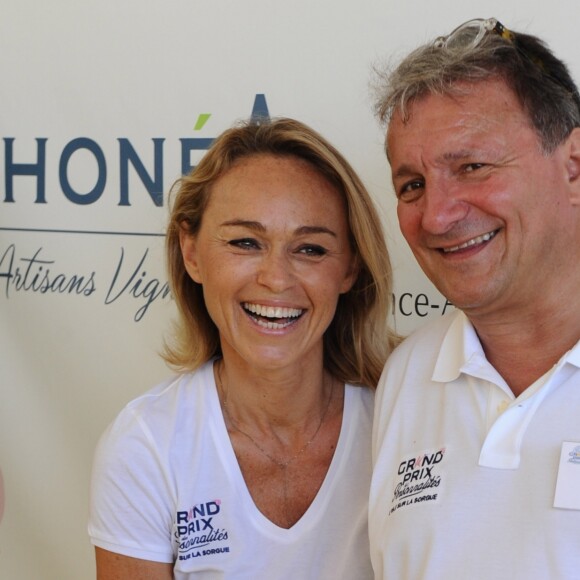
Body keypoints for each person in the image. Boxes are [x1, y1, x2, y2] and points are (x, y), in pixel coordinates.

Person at [89, 117, 399, 579]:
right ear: (191, 252)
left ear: (350, 268)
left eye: (310, 249)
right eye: (245, 242)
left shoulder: (401, 422)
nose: (276, 278)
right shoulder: (145, 446)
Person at [369, 17, 580, 579]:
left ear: (574, 167)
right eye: (411, 184)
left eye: (472, 167)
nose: (437, 215)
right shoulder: (406, 377)